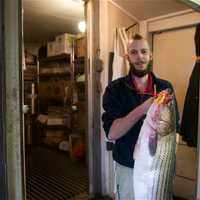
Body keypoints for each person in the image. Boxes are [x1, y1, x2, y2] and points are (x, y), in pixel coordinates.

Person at [102, 33, 180, 200]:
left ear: (150, 55)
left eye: (144, 52)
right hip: (127, 167)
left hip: (159, 169)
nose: (140, 57)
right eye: (134, 52)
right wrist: (143, 109)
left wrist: (168, 164)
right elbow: (112, 133)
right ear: (127, 57)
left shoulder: (165, 87)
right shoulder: (114, 89)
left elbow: (175, 131)